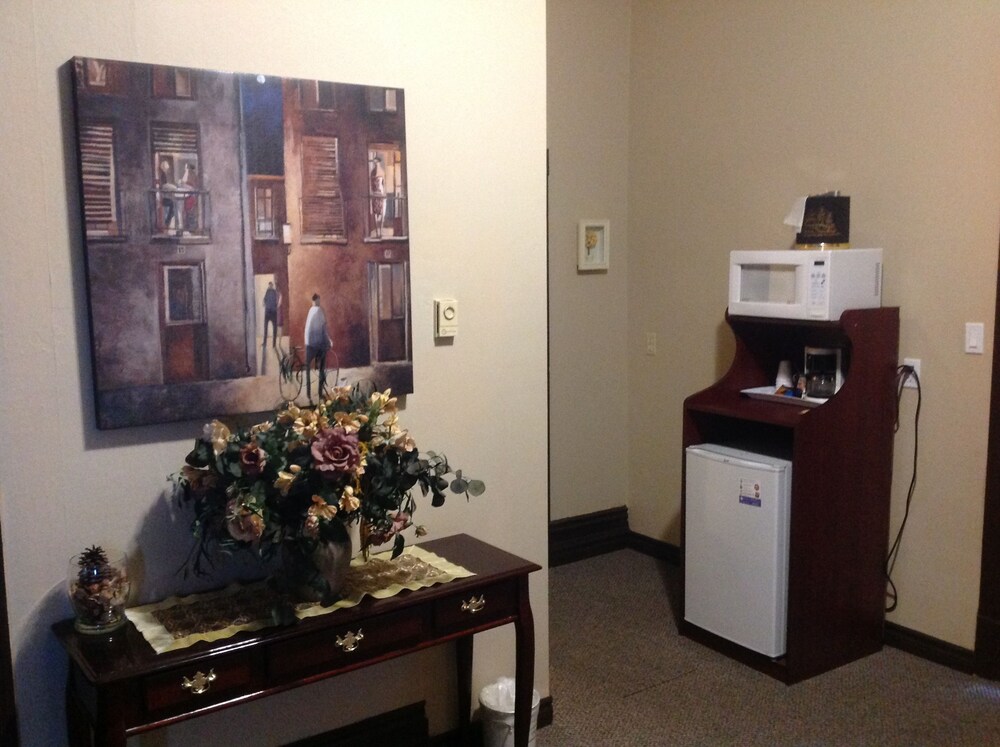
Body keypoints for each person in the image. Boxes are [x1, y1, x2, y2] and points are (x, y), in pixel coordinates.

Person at [303, 293, 332, 402]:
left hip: (308, 344)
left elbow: (308, 329)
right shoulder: (320, 311)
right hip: (318, 344)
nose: (319, 302)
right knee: (322, 368)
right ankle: (320, 393)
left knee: (307, 368)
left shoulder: (310, 311)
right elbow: (324, 330)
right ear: (317, 300)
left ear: (312, 301)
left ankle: (308, 394)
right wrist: (329, 342)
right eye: (319, 300)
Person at [262, 281, 280, 347]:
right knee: (266, 328)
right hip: (268, 312)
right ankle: (265, 343)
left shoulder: (274, 292)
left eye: (271, 285)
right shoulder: (267, 291)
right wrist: (264, 302)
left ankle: (273, 344)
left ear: (272, 286)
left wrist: (275, 306)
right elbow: (264, 299)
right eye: (269, 285)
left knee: (274, 328)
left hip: (272, 312)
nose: (270, 286)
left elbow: (277, 301)